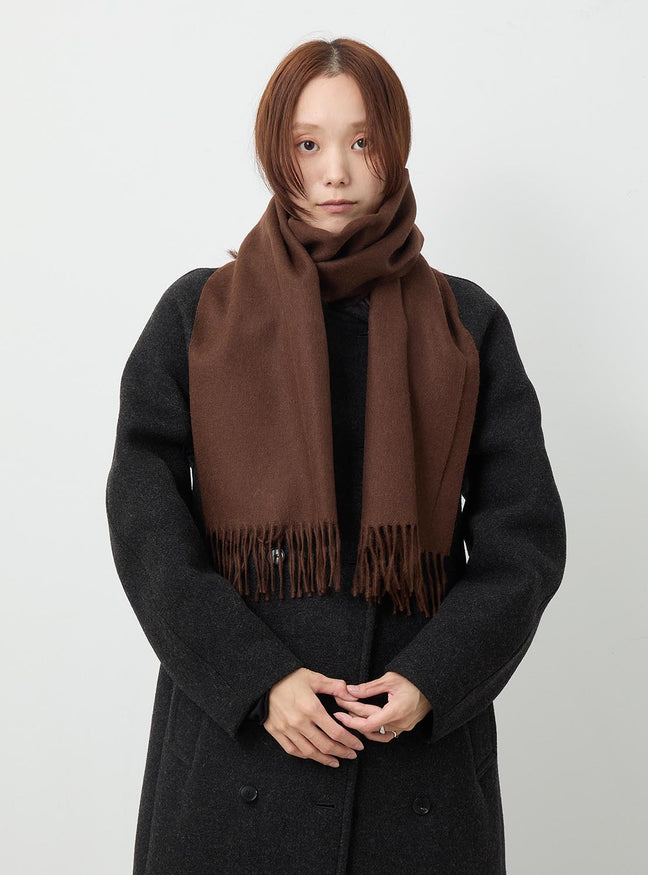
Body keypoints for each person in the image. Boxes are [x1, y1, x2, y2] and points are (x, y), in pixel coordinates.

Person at [106, 36, 566, 875]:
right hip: (235, 749)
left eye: (362, 141)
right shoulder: (197, 317)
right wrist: (257, 679)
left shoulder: (467, 326)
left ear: (395, 146)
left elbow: (523, 542)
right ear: (275, 152)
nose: (336, 173)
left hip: (412, 760)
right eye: (308, 144)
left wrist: (433, 679)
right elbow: (147, 527)